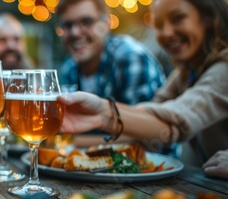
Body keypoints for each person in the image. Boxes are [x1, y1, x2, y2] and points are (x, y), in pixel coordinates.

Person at [57, 0, 228, 179]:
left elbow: (173, 124)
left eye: (178, 18)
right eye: (159, 24)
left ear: (209, 17)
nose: (167, 32)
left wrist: (103, 113)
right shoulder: (187, 72)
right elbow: (153, 114)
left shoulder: (223, 69)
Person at [56, 0, 166, 105]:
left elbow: (141, 121)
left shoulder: (130, 58)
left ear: (106, 23)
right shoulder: (69, 67)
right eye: (67, 25)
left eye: (86, 22)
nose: (75, 32)